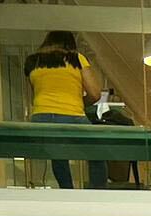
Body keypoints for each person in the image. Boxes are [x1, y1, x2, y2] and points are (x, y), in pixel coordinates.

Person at [25, 31, 106, 190]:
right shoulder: (76, 59)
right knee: (97, 153)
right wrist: (80, 103)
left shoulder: (32, 62)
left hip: (40, 118)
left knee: (58, 156)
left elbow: (35, 91)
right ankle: (98, 193)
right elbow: (95, 93)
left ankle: (67, 191)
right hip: (72, 114)